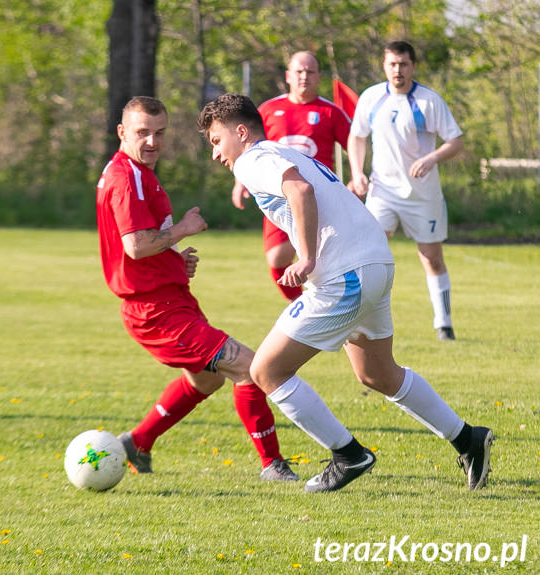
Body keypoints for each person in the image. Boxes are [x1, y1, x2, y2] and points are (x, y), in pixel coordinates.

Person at [198, 93, 492, 492]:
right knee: (377, 373)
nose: (216, 154)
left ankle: (349, 455)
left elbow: (300, 192)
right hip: (375, 263)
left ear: (240, 131)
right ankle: (468, 440)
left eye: (216, 141)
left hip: (345, 274)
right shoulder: (282, 151)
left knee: (266, 370)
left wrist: (307, 259)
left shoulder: (253, 159)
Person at [96, 96, 296, 481]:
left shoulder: (132, 170)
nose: (152, 142)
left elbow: (144, 243)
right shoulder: (127, 178)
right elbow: (135, 246)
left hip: (169, 298)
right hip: (154, 310)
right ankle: (272, 465)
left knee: (207, 379)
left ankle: (136, 442)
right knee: (250, 368)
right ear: (122, 132)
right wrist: (183, 230)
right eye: (142, 133)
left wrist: (172, 257)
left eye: (160, 133)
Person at [347, 41, 464, 341]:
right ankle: (362, 323)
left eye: (403, 64)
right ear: (384, 66)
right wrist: (357, 173)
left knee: (431, 257)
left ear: (413, 66)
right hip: (382, 192)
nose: (397, 70)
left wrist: (432, 157)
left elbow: (456, 142)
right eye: (392, 64)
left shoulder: (429, 101)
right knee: (370, 253)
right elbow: (357, 137)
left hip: (422, 196)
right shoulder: (372, 97)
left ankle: (444, 324)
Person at [231, 51, 352, 302]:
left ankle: (323, 307)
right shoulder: (269, 109)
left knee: (321, 260)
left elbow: (356, 146)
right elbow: (247, 148)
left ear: (319, 76)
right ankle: (303, 305)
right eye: (299, 71)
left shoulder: (330, 112)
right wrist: (239, 182)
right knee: (277, 258)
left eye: (310, 72)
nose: (304, 77)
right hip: (278, 197)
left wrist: (357, 176)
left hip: (317, 198)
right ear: (288, 76)